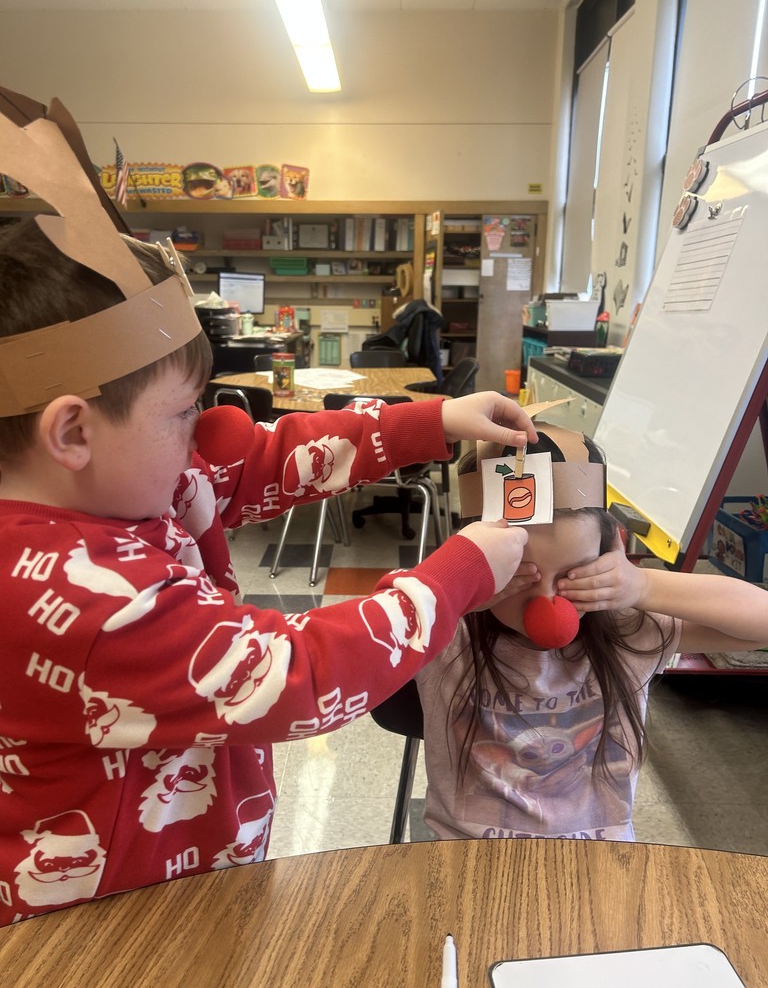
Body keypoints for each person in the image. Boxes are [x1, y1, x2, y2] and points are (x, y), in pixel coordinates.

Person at [0, 96, 536, 924]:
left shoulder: (123, 480)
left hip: (176, 875)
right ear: (72, 429)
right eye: (182, 414)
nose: (200, 434)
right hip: (107, 927)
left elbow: (255, 457)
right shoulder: (78, 595)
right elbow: (295, 675)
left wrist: (434, 420)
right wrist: (466, 569)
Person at [416, 419, 768, 842]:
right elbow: (340, 662)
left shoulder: (625, 631)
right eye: (519, 573)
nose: (548, 601)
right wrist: (451, 592)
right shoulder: (444, 631)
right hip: (467, 857)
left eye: (574, 572)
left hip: (601, 863)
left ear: (610, 553)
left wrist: (645, 585)